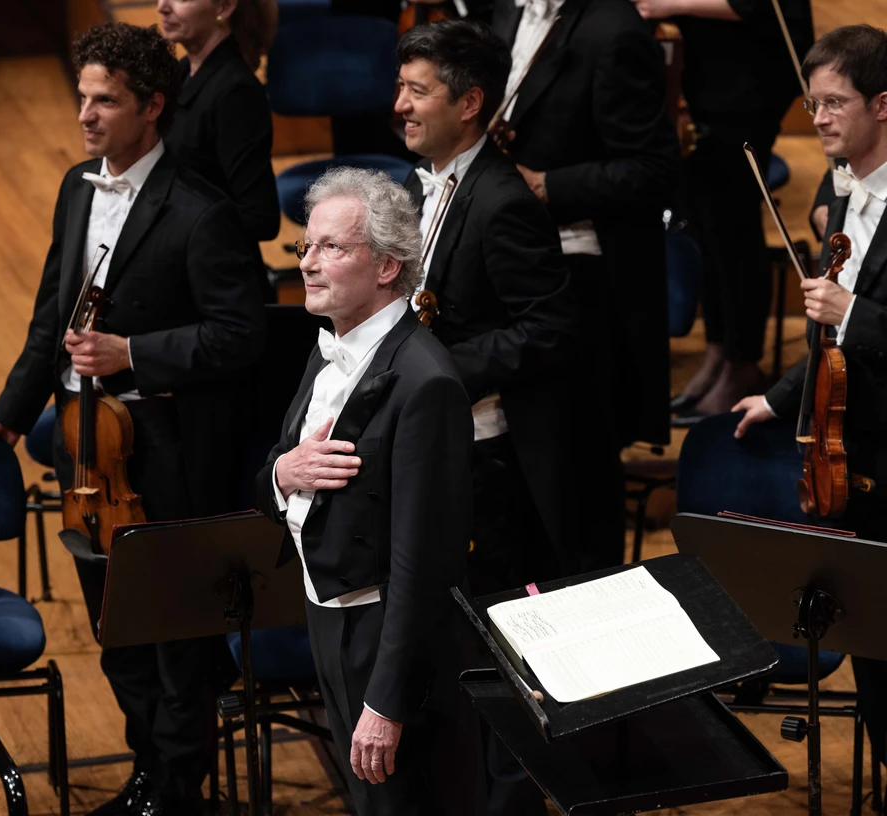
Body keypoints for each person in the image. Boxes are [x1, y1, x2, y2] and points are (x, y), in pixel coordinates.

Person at [0, 22, 266, 816]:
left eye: (106, 100)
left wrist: (133, 351)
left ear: (152, 108)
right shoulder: (76, 186)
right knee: (116, 631)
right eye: (82, 97)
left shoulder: (200, 213)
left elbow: (243, 335)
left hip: (164, 451)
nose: (87, 115)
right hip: (84, 447)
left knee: (175, 637)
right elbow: (51, 316)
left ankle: (175, 792)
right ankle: (150, 778)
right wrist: (9, 411)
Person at [254, 166, 484, 816]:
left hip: (384, 639)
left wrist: (386, 700)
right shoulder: (329, 345)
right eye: (306, 246)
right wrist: (283, 474)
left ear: (386, 266)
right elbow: (281, 464)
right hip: (327, 614)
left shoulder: (426, 382)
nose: (309, 263)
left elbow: (425, 565)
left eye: (333, 247)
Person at [727, 23, 887, 769]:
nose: (816, 119)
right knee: (879, 684)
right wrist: (781, 392)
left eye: (834, 103)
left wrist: (852, 310)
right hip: (852, 467)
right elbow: (833, 343)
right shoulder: (838, 190)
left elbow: (846, 318)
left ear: (882, 105)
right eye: (811, 102)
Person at [394, 21, 588, 590]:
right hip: (429, 431)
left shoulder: (504, 203)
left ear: (470, 102)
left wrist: (441, 369)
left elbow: (550, 327)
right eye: (401, 86)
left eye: (418, 91)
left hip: (486, 453)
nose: (400, 104)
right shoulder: (415, 181)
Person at [488, 0, 680, 451]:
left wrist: (545, 185)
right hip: (514, 242)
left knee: (574, 447)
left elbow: (655, 170)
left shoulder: (616, 31)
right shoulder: (507, 11)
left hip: (584, 262)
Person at [633, 0, 814, 420]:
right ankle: (719, 355)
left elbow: (764, 6)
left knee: (734, 232)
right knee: (709, 233)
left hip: (745, 86)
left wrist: (668, 4)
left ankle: (741, 366)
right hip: (704, 78)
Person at [157, 0, 280, 298]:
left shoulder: (236, 93)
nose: (162, 6)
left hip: (219, 290)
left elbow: (259, 217)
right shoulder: (182, 72)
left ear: (224, 7)